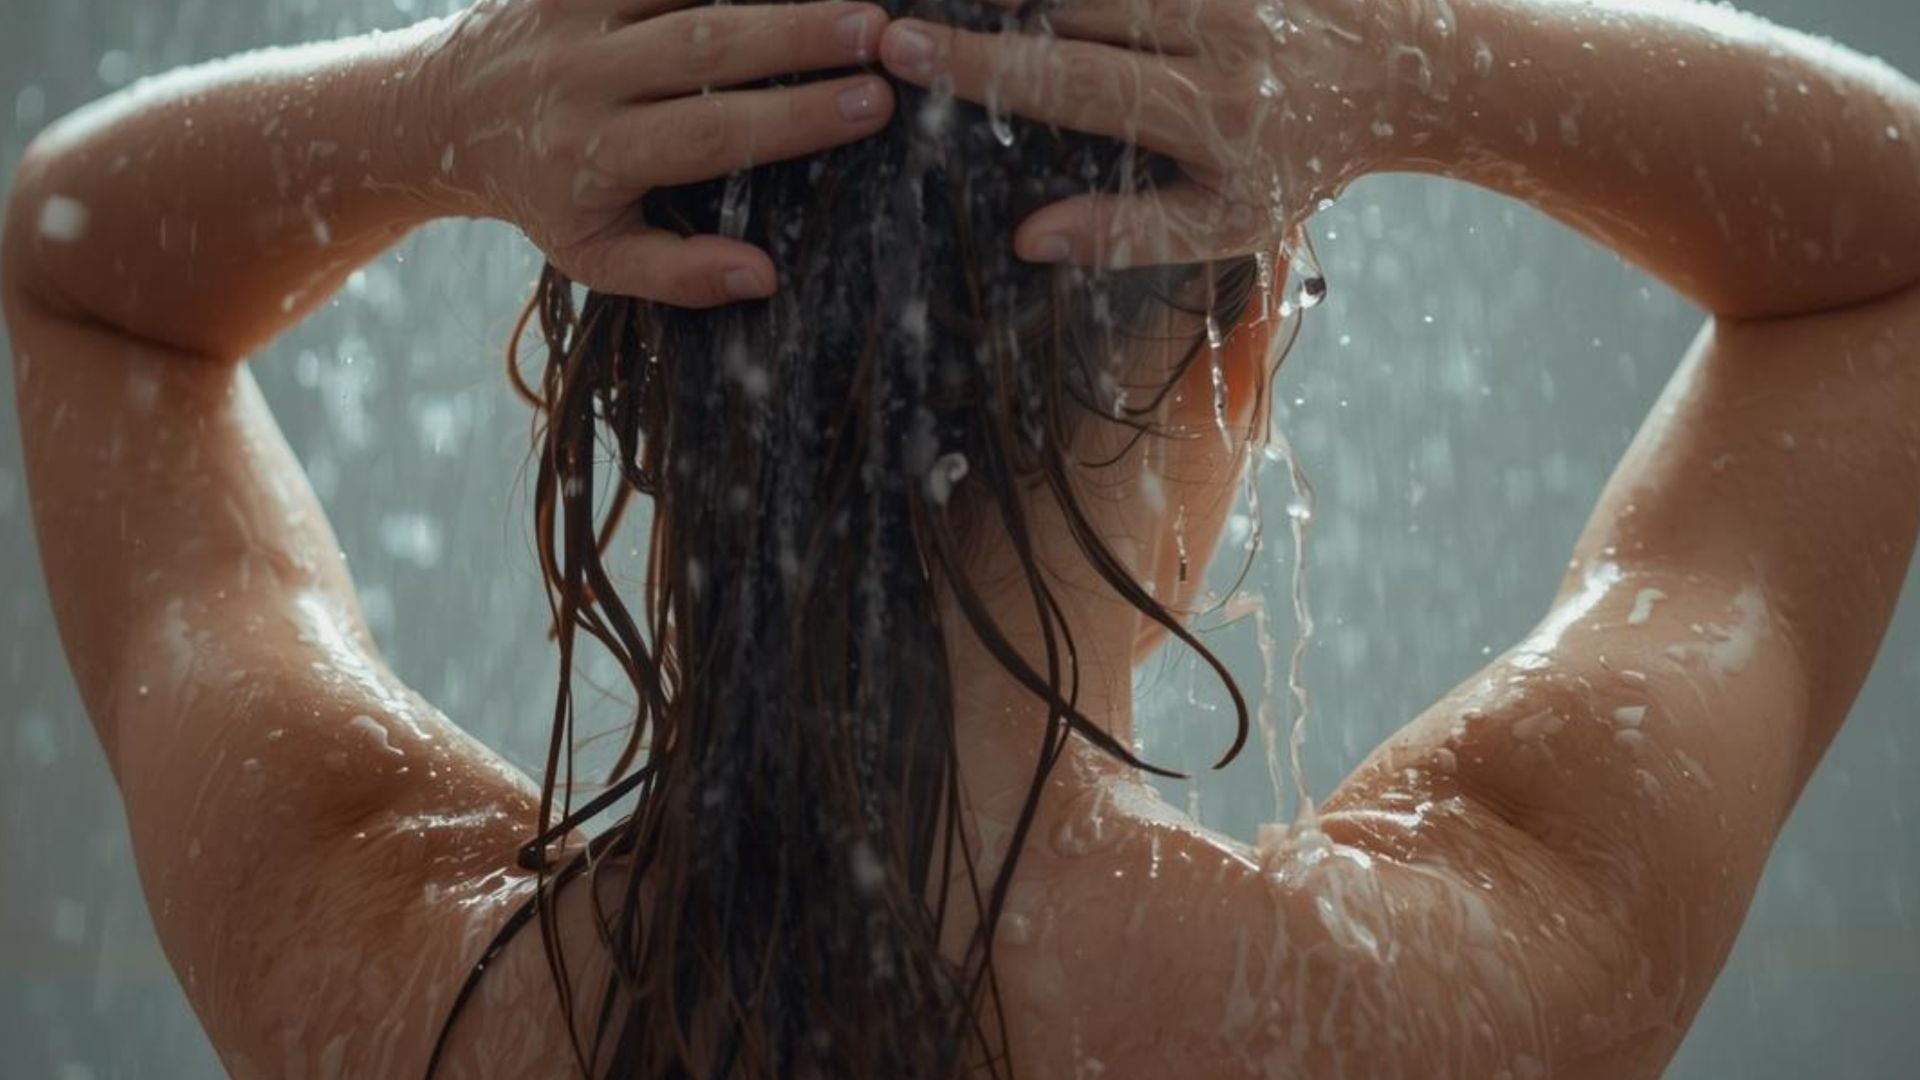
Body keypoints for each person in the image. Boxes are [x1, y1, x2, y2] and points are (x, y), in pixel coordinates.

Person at [5, 0, 1918, 1075]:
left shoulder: (391, 999)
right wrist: (1399, 59)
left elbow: (78, 272)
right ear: (1231, 364)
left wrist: (446, 102)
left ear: (641, 378)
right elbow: (1884, 254)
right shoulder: (1430, 1008)